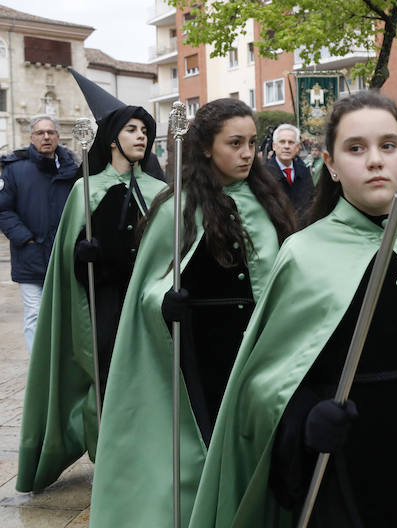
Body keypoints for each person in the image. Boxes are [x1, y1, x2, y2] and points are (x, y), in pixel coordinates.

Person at [188, 90, 397, 527]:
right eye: (356, 148)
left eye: (388, 146)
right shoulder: (303, 253)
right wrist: (304, 419)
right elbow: (266, 383)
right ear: (330, 166)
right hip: (348, 472)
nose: (375, 161)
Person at [89, 98, 297, 528]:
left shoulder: (267, 202)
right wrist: (164, 301)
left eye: (252, 143)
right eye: (234, 143)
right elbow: (149, 287)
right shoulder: (177, 208)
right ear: (204, 147)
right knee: (208, 445)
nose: (246, 153)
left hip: (260, 347)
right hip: (203, 353)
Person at [16, 70, 168, 493]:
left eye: (145, 130)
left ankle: (143, 449)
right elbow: (68, 254)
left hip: (146, 301)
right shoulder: (88, 189)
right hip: (100, 301)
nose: (140, 136)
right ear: (112, 137)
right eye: (131, 129)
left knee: (147, 376)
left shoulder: (160, 190)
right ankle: (108, 453)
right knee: (104, 375)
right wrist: (80, 255)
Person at [0, 114, 78, 353]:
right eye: (40, 133)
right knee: (35, 314)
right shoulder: (15, 169)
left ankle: (60, 365)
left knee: (63, 314)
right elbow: (4, 210)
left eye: (51, 132)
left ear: (58, 136)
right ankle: (39, 369)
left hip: (63, 256)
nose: (46, 137)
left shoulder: (71, 169)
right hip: (30, 255)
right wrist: (25, 238)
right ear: (31, 137)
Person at [266, 123, 315, 218]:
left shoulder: (304, 171)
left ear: (297, 147)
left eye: (291, 142)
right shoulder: (264, 174)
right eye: (282, 142)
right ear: (274, 146)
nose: (286, 146)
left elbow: (311, 200)